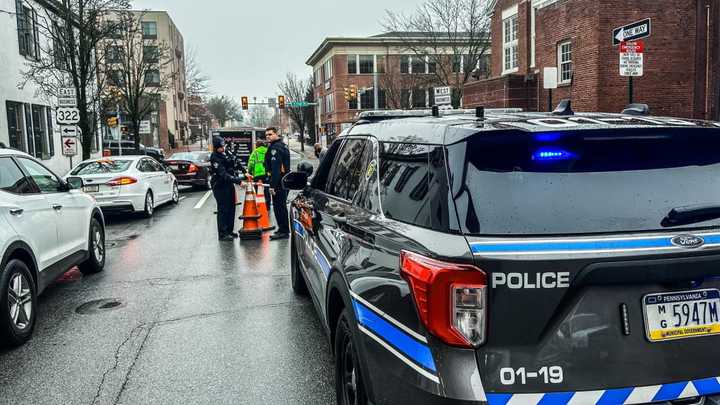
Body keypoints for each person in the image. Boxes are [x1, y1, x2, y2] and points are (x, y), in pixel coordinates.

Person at [210, 136, 244, 241]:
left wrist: (244, 171)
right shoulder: (215, 157)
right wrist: (239, 181)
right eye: (221, 147)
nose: (223, 148)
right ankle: (223, 233)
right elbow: (223, 174)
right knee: (223, 209)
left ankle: (229, 230)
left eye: (223, 146)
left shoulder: (226, 153)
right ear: (216, 148)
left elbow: (235, 162)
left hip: (229, 184)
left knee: (231, 208)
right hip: (219, 186)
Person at [264, 127, 291, 240]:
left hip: (278, 182)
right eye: (266, 135)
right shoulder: (282, 145)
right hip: (284, 181)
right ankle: (283, 229)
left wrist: (272, 186)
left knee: (279, 207)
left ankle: (283, 231)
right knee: (281, 206)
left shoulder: (275, 148)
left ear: (276, 134)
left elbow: (276, 169)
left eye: (270, 134)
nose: (268, 137)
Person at [247, 139, 271, 205]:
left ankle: (259, 204)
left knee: (257, 188)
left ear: (257, 145)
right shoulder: (267, 151)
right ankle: (267, 204)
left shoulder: (255, 152)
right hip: (266, 173)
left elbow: (251, 163)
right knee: (266, 189)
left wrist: (249, 172)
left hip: (257, 174)